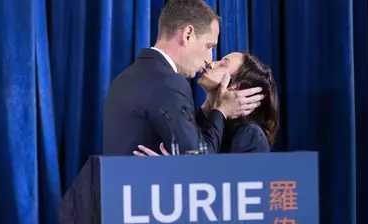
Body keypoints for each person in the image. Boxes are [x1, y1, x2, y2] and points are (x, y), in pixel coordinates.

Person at [103, 0, 264, 156]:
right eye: (209, 46)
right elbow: (197, 160)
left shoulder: (125, 78)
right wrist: (221, 111)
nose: (210, 59)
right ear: (188, 34)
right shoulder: (169, 84)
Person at [135, 51, 278, 156]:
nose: (211, 63)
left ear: (235, 87)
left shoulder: (249, 135)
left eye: (223, 64)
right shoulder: (198, 121)